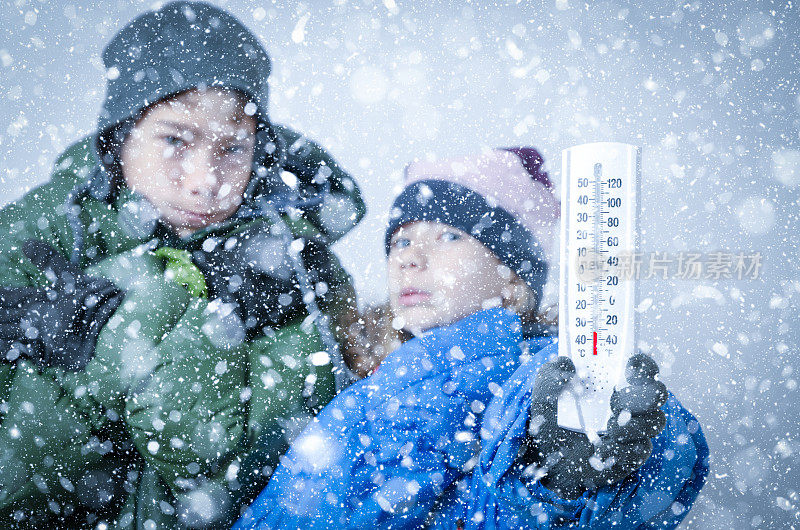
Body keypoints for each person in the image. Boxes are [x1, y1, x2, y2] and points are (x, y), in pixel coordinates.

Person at [0, 1, 365, 527]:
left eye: (232, 149)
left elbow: (301, 467)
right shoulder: (39, 240)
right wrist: (81, 355)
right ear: (120, 137)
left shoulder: (291, 260)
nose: (204, 180)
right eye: (175, 140)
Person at [234, 148, 709, 529]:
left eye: (447, 237)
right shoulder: (369, 377)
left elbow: (653, 451)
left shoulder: (526, 373)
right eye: (400, 240)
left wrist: (567, 475)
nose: (409, 258)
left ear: (513, 280)